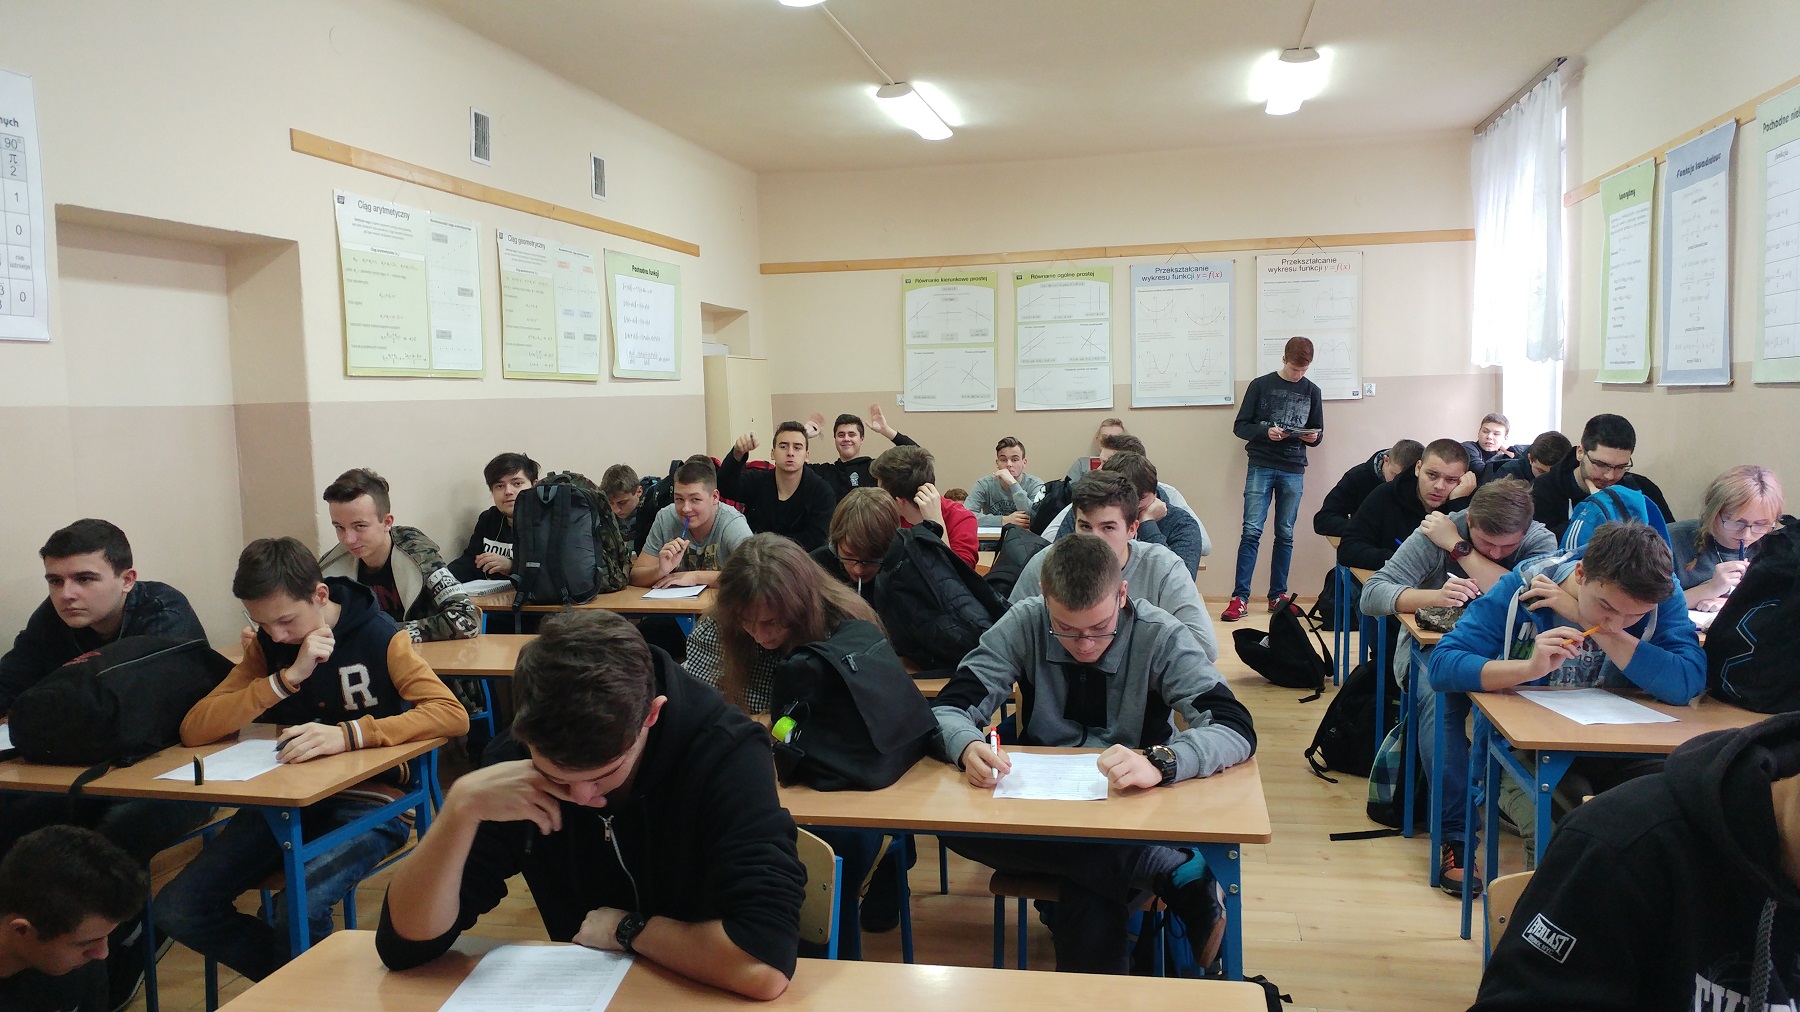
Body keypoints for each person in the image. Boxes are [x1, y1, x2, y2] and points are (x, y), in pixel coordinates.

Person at [375, 611, 805, 1001]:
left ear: (651, 715)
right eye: (557, 777)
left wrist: (628, 930)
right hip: (586, 995)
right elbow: (405, 945)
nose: (581, 797)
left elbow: (762, 963)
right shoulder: (514, 763)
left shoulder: (726, 752)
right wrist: (459, 810)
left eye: (604, 773)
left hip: (705, 994)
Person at [932, 534, 1255, 974]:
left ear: (1122, 594)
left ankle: (1148, 884)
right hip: (1044, 808)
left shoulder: (1159, 634)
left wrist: (1161, 761)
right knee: (952, 827)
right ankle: (1169, 869)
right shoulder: (1025, 621)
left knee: (1087, 887)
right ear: (1045, 598)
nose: (1084, 644)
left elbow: (1234, 725)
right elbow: (949, 707)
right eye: (1066, 628)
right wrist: (967, 745)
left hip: (1132, 806)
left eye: (1100, 627)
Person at [157, 537, 468, 981]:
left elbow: (451, 714)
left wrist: (349, 735)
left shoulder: (380, 636)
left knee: (296, 909)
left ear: (320, 595)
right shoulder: (269, 646)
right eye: (263, 623)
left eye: (286, 620)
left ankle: (303, 989)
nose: (277, 635)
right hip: (286, 802)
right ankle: (296, 987)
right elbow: (196, 728)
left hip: (373, 801)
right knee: (178, 908)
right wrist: (285, 680)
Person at [1427, 521, 1705, 896]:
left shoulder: (1659, 594)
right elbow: (1443, 665)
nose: (1616, 621)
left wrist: (1588, 620)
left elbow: (1687, 682)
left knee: (1673, 824)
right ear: (1581, 572)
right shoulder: (1524, 586)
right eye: (1606, 606)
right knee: (1566, 833)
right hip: (1527, 752)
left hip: (1623, 750)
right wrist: (1527, 669)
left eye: (1634, 616)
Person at [0, 519, 210, 1006]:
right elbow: (10, 682)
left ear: (127, 579)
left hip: (178, 776)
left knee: (112, 840)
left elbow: (145, 713)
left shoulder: (164, 613)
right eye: (55, 580)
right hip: (88, 771)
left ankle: (122, 946)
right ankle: (32, 959)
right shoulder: (54, 619)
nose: (67, 594)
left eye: (84, 579)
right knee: (14, 816)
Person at [1471, 712, 1800, 1011]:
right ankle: (1458, 838)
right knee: (1559, 814)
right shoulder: (1622, 846)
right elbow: (1453, 669)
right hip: (1552, 759)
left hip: (1636, 758)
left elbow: (1681, 685)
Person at [689, 535, 901, 959]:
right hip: (754, 771)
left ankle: (821, 964)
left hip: (835, 778)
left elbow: (864, 725)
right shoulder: (718, 627)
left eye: (773, 623)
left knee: (828, 856)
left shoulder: (845, 623)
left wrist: (763, 726)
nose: (760, 634)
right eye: (748, 622)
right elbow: (700, 711)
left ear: (801, 607)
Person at [1359, 479, 1556, 858]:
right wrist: (1433, 596)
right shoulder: (1437, 530)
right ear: (1469, 521)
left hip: (1511, 657)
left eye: (1507, 548)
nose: (1497, 552)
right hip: (1433, 651)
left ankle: (1507, 797)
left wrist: (1461, 550)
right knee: (1441, 702)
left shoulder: (1536, 538)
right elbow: (1372, 594)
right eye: (1486, 543)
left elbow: (1529, 597)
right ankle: (1455, 836)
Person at [1017, 471, 1218, 661]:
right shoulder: (1046, 563)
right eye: (1085, 526)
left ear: (1132, 529)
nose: (1094, 539)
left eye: (1108, 527)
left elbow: (1204, 648)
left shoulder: (1164, 567)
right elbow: (1014, 637)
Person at [1225, 336, 1324, 622]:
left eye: (1303, 370)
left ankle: (1278, 595)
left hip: (1294, 468)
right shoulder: (1260, 385)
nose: (1298, 375)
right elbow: (1240, 426)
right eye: (1294, 369)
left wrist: (1313, 438)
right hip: (1261, 464)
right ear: (1283, 360)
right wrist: (1265, 432)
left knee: (1285, 533)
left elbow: (1318, 433)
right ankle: (1239, 598)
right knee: (1251, 531)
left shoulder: (1313, 391)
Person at [319, 468, 478, 642]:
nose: (348, 539)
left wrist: (384, 633)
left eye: (360, 526)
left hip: (425, 657)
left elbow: (467, 620)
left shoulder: (419, 556)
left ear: (387, 522)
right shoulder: (330, 568)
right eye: (339, 527)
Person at [0, 826, 147, 1012]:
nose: (103, 953)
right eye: (85, 944)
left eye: (106, 936)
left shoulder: (78, 967)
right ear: (21, 930)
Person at [1056, 451, 1205, 576]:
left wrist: (1148, 525)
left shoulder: (1182, 524)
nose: (1132, 505)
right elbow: (1058, 562)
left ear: (1154, 492)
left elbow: (1182, 581)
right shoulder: (1088, 512)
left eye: (1141, 499)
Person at [1337, 439, 1473, 572]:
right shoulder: (1387, 494)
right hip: (1390, 579)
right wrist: (1403, 560)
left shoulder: (1469, 506)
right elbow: (1348, 550)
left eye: (1451, 480)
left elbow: (1467, 565)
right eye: (1432, 475)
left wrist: (1458, 504)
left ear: (1463, 480)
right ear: (1418, 468)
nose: (1439, 486)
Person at [1532, 414, 1674, 539]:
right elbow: (1543, 548)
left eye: (1620, 467)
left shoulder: (1641, 489)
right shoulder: (1543, 490)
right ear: (1580, 452)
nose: (1610, 476)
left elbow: (1669, 541)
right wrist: (1596, 509)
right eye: (1601, 464)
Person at [1671, 465, 1785, 611]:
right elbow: (1650, 609)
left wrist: (1732, 603)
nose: (1746, 535)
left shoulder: (1778, 547)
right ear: (1713, 513)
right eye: (1737, 522)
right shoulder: (1670, 540)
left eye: (1760, 524)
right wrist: (1710, 589)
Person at [629, 457, 754, 589]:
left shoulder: (732, 522)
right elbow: (635, 576)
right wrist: (660, 570)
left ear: (715, 497)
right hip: (673, 602)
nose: (686, 509)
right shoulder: (666, 517)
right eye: (679, 499)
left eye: (695, 499)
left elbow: (755, 575)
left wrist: (696, 577)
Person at [718, 422, 836, 552]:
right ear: (772, 453)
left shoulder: (822, 492)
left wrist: (772, 549)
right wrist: (737, 453)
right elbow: (724, 487)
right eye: (783, 446)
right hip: (756, 558)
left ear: (807, 456)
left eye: (797, 448)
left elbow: (815, 540)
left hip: (800, 560)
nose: (790, 453)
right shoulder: (758, 480)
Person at [870, 445, 978, 568]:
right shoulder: (884, 517)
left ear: (899, 501)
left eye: (881, 490)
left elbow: (960, 577)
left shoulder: (961, 518)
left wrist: (936, 524)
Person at [447, 452, 538, 583]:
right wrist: (441, 578)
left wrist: (512, 567)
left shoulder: (552, 522)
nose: (508, 492)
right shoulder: (489, 519)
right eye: (500, 486)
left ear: (534, 486)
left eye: (517, 484)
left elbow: (555, 574)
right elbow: (471, 562)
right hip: (491, 595)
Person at [801, 405, 920, 501]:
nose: (846, 438)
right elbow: (792, 467)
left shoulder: (877, 469)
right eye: (841, 435)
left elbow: (918, 457)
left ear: (861, 439)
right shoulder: (824, 473)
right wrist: (803, 434)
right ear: (835, 439)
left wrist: (886, 430)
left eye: (851, 434)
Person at [1312, 440, 1423, 539]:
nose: (1401, 482)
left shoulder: (1424, 483)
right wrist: (1364, 527)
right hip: (1366, 546)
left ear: (1419, 469)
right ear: (1386, 460)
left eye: (1408, 478)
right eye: (1395, 475)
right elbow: (1323, 520)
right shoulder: (1357, 477)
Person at [809, 487, 900, 605]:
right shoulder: (815, 568)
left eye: (870, 560)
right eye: (848, 556)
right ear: (835, 545)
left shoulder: (904, 576)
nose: (858, 570)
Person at [966, 437, 1044, 529]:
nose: (1009, 464)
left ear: (1024, 463)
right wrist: (1003, 520)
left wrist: (1013, 484)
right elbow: (965, 516)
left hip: (1024, 537)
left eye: (1014, 460)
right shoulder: (984, 484)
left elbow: (1035, 518)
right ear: (997, 463)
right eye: (1003, 460)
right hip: (992, 538)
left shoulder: (1035, 485)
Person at [601, 464, 657, 555]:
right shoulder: (603, 508)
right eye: (611, 503)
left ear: (639, 491)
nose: (616, 510)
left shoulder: (652, 508)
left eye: (622, 502)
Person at [1484, 430, 1572, 485]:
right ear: (1530, 459)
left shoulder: (1571, 474)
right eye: (1541, 471)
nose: (1547, 478)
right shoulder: (1508, 475)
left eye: (1554, 473)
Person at [1461, 413, 1527, 474]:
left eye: (1496, 434)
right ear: (1479, 432)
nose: (1489, 437)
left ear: (1505, 438)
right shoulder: (1467, 447)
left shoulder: (1504, 457)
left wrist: (1510, 452)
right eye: (1485, 431)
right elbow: (1482, 472)